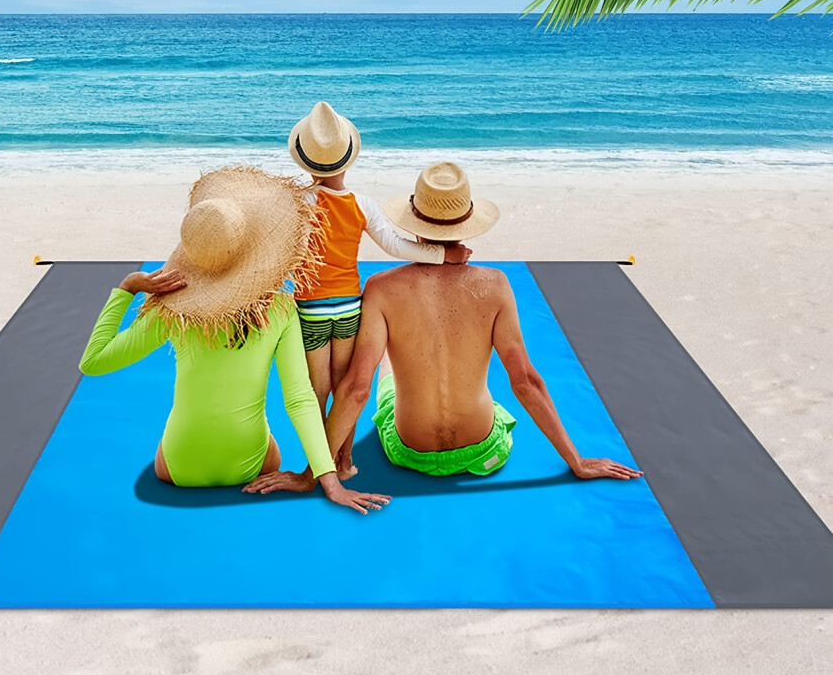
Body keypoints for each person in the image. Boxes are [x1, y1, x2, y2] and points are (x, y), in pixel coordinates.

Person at [244, 161, 643, 496]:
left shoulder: (381, 289)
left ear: (415, 223)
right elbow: (525, 382)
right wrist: (577, 461)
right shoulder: (496, 285)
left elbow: (355, 390)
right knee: (488, 396)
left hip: (409, 452)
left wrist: (312, 473)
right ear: (467, 224)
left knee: (384, 368)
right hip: (483, 453)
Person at [78, 165, 391, 514]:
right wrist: (327, 482)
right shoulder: (279, 310)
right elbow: (300, 399)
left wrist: (126, 289)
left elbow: (93, 362)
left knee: (170, 438)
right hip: (250, 464)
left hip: (180, 469)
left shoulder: (172, 312)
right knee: (269, 440)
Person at [288, 102, 469, 479]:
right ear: (347, 159)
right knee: (345, 393)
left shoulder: (300, 203)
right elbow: (395, 245)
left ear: (306, 161)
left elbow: (284, 255)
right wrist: (443, 254)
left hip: (311, 311)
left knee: (316, 395)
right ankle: (344, 461)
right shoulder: (361, 204)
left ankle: (315, 468)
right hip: (349, 308)